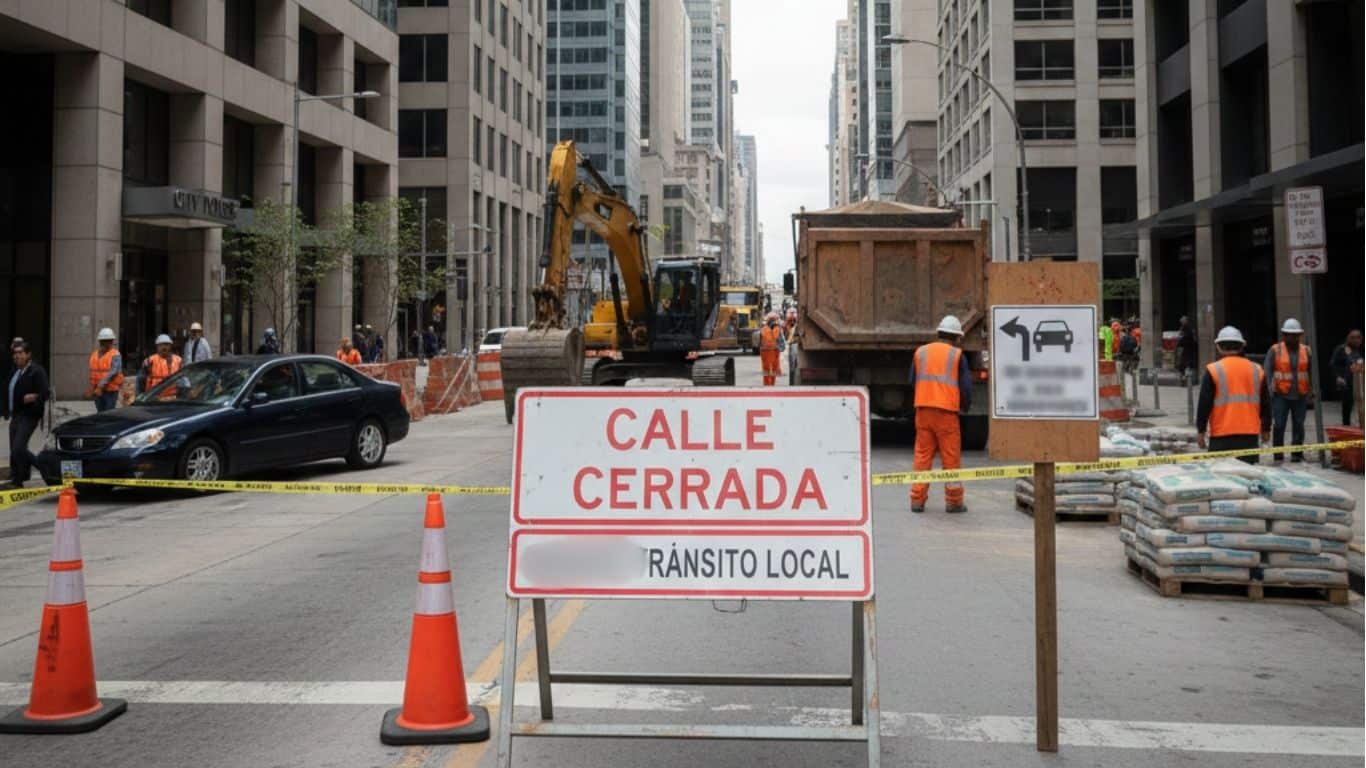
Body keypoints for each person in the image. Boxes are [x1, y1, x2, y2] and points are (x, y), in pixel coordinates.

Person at [909, 315, 973, 514]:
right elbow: (965, 387)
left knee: (922, 456)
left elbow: (912, 381)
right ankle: (954, 502)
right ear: (957, 337)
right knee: (951, 459)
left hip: (923, 411)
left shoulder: (920, 353)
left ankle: (917, 501)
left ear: (939, 333)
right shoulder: (957, 355)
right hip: (946, 413)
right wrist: (965, 405)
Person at [1196, 325, 1270, 465]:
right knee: (1248, 479)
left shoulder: (1213, 370)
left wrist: (1201, 431)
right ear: (1242, 346)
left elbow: (1204, 404)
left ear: (1218, 347)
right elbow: (1266, 403)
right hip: (1249, 436)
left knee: (1222, 479)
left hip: (1221, 436)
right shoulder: (1257, 370)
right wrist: (1266, 429)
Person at [1264, 318, 1313, 462]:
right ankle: (1278, 455)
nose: (1293, 337)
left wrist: (1312, 391)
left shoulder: (1306, 350)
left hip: (1300, 395)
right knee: (1279, 425)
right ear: (1284, 335)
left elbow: (1312, 372)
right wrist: (1268, 391)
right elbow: (1267, 372)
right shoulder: (1275, 350)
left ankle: (1296, 454)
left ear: (1300, 335)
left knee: (1299, 425)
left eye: (1296, 334)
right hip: (1281, 395)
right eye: (1289, 334)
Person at [3, 341, 49, 489]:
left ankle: (43, 467)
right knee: (14, 449)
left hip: (29, 415)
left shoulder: (36, 371)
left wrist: (34, 397)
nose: (17, 356)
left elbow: (45, 392)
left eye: (20, 353)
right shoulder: (15, 371)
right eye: (15, 353)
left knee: (18, 448)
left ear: (28, 354)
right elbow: (9, 391)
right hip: (16, 414)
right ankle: (18, 479)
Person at [1330, 329, 1363, 426]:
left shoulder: (1360, 350)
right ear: (1348, 338)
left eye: (1358, 338)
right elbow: (1333, 364)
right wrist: (1338, 377)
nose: (1356, 340)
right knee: (1347, 410)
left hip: (1360, 385)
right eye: (1353, 338)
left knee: (1360, 408)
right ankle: (1346, 428)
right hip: (1347, 385)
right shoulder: (1342, 349)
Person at [86, 327, 123, 412]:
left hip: (110, 391)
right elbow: (93, 373)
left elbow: (113, 372)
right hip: (97, 391)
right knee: (100, 413)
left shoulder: (115, 354)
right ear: (100, 341)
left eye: (110, 341)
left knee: (109, 413)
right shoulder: (94, 355)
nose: (109, 343)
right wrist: (92, 388)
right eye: (105, 341)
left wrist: (100, 386)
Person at [758, 312, 786, 386]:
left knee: (771, 370)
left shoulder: (765, 329)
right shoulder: (767, 329)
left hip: (770, 351)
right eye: (772, 320)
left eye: (773, 319)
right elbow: (781, 342)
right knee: (769, 370)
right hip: (769, 352)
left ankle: (769, 385)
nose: (773, 321)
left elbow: (781, 341)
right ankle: (768, 385)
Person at [1176, 315, 1197, 383]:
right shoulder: (1183, 327)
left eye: (1182, 321)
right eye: (1181, 321)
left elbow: (1187, 337)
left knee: (1186, 363)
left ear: (1186, 321)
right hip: (1185, 347)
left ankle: (1186, 377)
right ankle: (1184, 377)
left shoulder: (1188, 328)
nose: (1181, 322)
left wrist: (1181, 337)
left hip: (1188, 348)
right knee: (1183, 363)